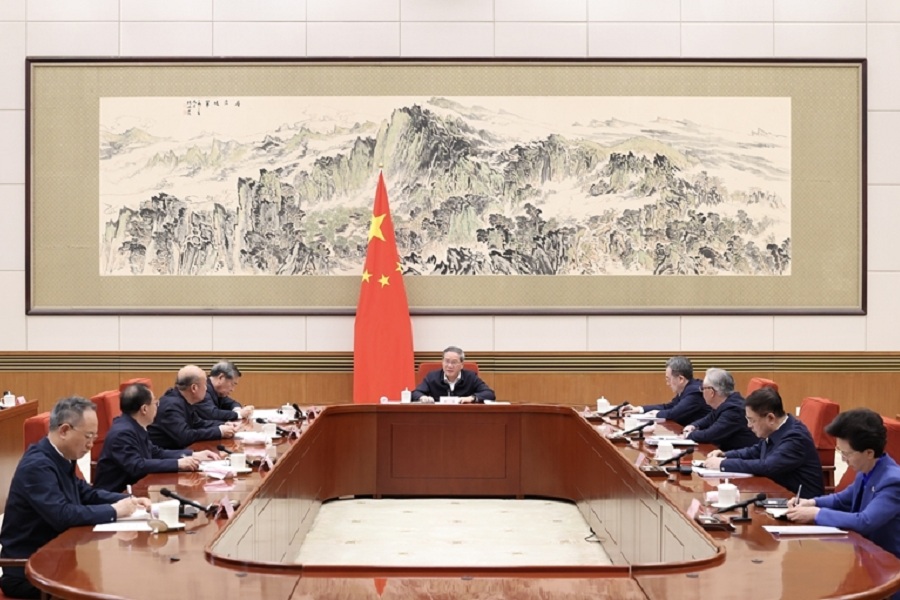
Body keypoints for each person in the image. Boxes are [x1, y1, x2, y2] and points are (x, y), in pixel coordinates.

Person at [0, 396, 150, 599]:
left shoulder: (61, 457)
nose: (91, 444)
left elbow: (86, 492)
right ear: (64, 430)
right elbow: (62, 515)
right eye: (88, 436)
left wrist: (128, 500)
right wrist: (115, 511)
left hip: (57, 558)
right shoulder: (37, 465)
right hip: (30, 571)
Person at [786, 408, 900, 558]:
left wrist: (816, 514)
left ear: (869, 453)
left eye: (847, 454)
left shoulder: (893, 481)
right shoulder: (866, 470)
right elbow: (841, 499)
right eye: (840, 452)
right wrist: (811, 503)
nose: (843, 459)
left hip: (889, 562)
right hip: (865, 553)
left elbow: (865, 521)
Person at [93, 383, 220, 493]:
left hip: (135, 492)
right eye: (155, 403)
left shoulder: (134, 425)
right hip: (114, 496)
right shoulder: (122, 433)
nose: (157, 407)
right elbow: (137, 466)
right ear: (144, 409)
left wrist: (193, 455)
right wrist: (177, 464)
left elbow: (155, 452)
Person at [703, 386, 824, 498]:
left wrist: (723, 464)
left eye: (752, 420)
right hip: (778, 495)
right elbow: (755, 451)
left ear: (770, 418)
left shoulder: (795, 438)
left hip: (801, 503)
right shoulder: (779, 429)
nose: (749, 425)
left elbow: (767, 466)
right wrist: (725, 455)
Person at [148, 364, 239, 450]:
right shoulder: (171, 406)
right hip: (163, 456)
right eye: (205, 385)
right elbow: (185, 437)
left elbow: (198, 423)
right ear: (194, 388)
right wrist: (219, 431)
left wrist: (223, 424)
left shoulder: (183, 400)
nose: (206, 388)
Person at [681, 368, 757, 451]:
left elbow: (710, 435)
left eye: (703, 388)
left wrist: (689, 435)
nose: (702, 391)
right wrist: (693, 426)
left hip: (740, 456)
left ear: (711, 392)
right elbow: (708, 419)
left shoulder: (733, 410)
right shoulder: (724, 403)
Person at [623, 356, 710, 425]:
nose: (667, 383)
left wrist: (656, 414)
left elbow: (674, 414)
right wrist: (639, 409)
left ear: (681, 379)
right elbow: (668, 407)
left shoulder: (694, 392)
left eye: (668, 379)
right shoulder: (687, 389)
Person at [411, 346, 495, 404]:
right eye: (447, 361)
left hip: (464, 417)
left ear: (461, 365)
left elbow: (489, 394)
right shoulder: (432, 377)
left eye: (454, 362)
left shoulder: (470, 377)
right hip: (438, 417)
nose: (450, 366)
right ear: (442, 362)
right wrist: (423, 397)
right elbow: (415, 393)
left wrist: (472, 398)